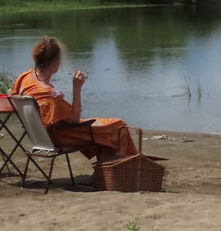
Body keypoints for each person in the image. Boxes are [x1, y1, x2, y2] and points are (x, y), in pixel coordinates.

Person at [9, 36, 137, 162]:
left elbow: (13, 97)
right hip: (60, 137)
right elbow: (74, 119)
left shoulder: (24, 79)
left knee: (105, 127)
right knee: (118, 126)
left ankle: (108, 170)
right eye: (60, 61)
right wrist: (77, 88)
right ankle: (128, 167)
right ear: (54, 65)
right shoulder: (49, 95)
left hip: (40, 136)